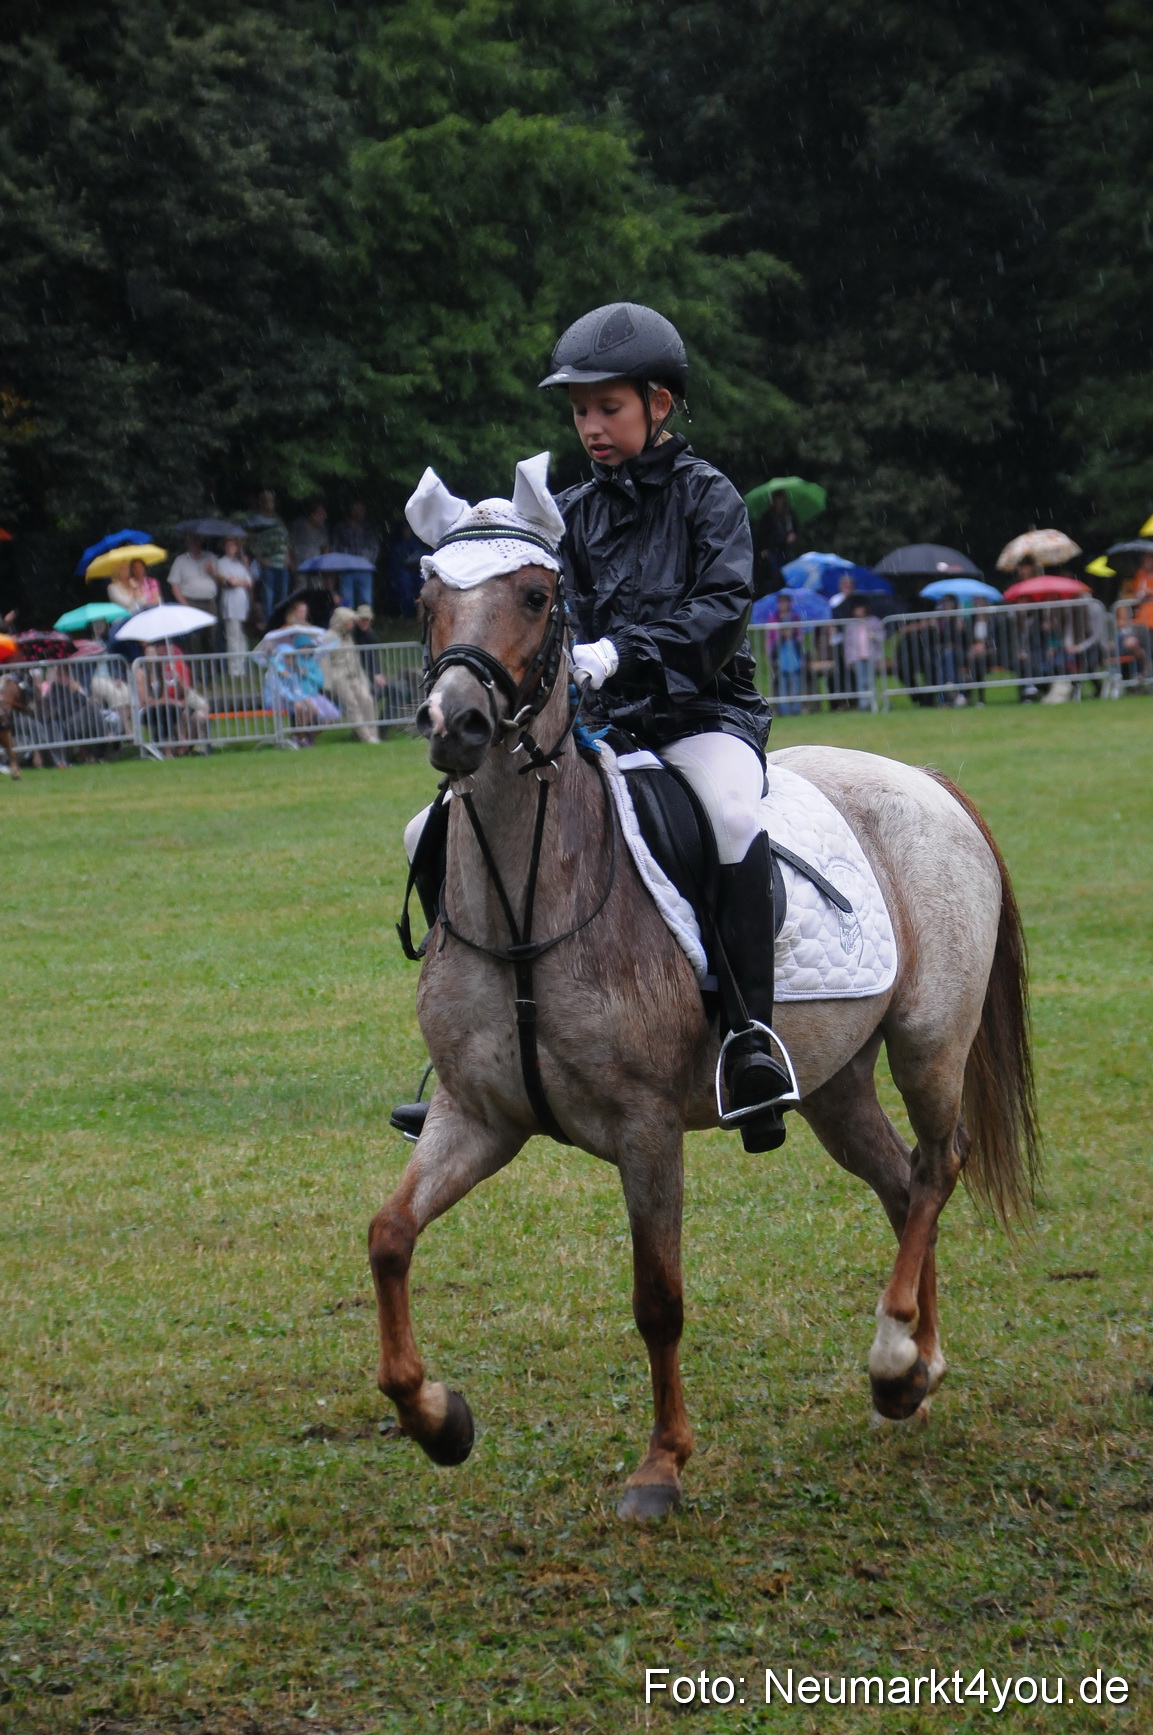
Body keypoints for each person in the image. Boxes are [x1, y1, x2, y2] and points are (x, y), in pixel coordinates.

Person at [540, 301, 792, 1152]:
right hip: (605, 722)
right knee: (467, 816)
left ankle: (751, 1038)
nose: (591, 426)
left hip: (702, 713)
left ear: (660, 402)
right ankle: (488, 1050)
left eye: (607, 407)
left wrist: (624, 654)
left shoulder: (708, 496)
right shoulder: (570, 511)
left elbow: (721, 610)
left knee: (728, 814)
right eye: (579, 411)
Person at [263, 597, 339, 746]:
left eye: (305, 611)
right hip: (294, 692)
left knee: (325, 712)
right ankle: (300, 736)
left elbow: (319, 680)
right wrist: (283, 667)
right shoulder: (284, 632)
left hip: (306, 692)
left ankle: (306, 737)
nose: (303, 614)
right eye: (301, 611)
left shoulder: (308, 632)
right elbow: (275, 658)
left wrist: (306, 674)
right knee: (303, 708)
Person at [320, 607, 381, 742]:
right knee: (352, 704)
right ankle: (366, 736)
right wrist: (327, 684)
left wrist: (363, 678)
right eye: (350, 621)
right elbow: (324, 661)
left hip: (355, 676)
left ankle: (374, 733)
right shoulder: (329, 637)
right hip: (339, 677)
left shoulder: (349, 637)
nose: (352, 624)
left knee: (367, 700)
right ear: (342, 621)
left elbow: (356, 659)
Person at [168, 532, 219, 655]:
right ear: (187, 543)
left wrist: (213, 572)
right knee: (193, 639)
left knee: (211, 637)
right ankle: (195, 671)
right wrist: (184, 604)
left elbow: (223, 580)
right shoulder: (180, 561)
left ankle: (210, 671)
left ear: (201, 542)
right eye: (192, 541)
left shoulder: (211, 557)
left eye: (197, 540)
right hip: (190, 602)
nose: (194, 544)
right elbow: (174, 585)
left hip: (209, 602)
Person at [249, 490, 294, 622]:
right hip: (268, 564)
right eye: (267, 500)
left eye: (272, 500)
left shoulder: (279, 520)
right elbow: (251, 541)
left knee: (283, 596)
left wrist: (288, 557)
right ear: (261, 502)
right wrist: (259, 558)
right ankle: (269, 625)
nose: (270, 503)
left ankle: (281, 623)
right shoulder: (255, 520)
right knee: (268, 597)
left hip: (283, 564)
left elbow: (286, 540)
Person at [214, 535, 254, 676]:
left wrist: (239, 579)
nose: (231, 548)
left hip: (242, 605)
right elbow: (229, 582)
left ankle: (242, 667)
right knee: (232, 637)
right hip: (230, 605)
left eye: (233, 545)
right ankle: (234, 669)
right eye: (228, 546)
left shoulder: (239, 564)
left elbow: (249, 582)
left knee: (241, 637)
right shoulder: (222, 562)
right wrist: (239, 581)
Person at [331, 500, 380, 610]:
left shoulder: (369, 528)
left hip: (365, 569)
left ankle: (364, 626)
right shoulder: (341, 527)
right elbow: (335, 547)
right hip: (346, 569)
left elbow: (375, 547)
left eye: (362, 510)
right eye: (358, 510)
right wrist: (340, 564)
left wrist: (368, 563)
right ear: (352, 511)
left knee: (366, 601)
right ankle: (348, 625)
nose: (361, 513)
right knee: (346, 600)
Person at [768, 593, 807, 715]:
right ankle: (784, 710)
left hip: (794, 653)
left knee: (795, 681)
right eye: (781, 602)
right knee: (782, 683)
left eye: (785, 602)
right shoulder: (773, 618)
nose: (783, 605)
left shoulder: (795, 617)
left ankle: (795, 709)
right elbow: (769, 638)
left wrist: (793, 635)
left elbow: (800, 637)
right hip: (780, 654)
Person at [753, 489, 798, 593]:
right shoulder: (767, 516)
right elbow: (762, 533)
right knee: (774, 575)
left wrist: (793, 535)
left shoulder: (789, 515)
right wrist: (764, 548)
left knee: (788, 573)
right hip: (772, 550)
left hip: (787, 549)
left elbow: (796, 530)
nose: (779, 501)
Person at [842, 599, 880, 710]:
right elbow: (848, 644)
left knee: (870, 681)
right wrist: (849, 659)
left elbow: (882, 636)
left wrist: (874, 635)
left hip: (871, 655)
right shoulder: (850, 625)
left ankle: (872, 703)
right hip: (857, 657)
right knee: (861, 681)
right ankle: (863, 705)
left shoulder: (874, 621)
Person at [290, 500, 328, 573]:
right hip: (300, 565)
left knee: (316, 584)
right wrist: (292, 563)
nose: (324, 516)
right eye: (321, 513)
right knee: (301, 584)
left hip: (316, 566)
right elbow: (289, 545)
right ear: (312, 514)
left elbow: (325, 547)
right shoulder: (298, 526)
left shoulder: (323, 529)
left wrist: (325, 564)